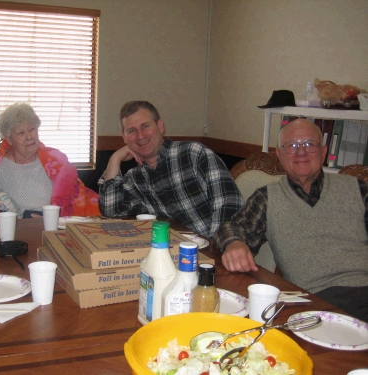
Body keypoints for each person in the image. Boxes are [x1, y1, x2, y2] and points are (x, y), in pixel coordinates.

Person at [214, 118, 368, 322]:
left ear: (323, 152)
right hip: (313, 302)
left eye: (309, 144)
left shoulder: (357, 189)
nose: (301, 152)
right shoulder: (267, 198)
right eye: (292, 146)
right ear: (279, 155)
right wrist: (234, 243)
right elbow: (231, 228)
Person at [98, 100, 244, 238]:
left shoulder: (193, 154)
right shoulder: (136, 178)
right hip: (169, 252)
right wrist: (114, 159)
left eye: (145, 126)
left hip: (212, 249)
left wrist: (219, 249)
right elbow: (112, 211)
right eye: (132, 131)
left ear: (160, 126)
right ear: (124, 137)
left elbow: (229, 204)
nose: (140, 136)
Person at [0, 102, 100, 226]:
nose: (29, 136)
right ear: (9, 140)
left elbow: (76, 197)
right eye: (21, 133)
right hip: (18, 231)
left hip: (56, 228)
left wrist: (52, 219)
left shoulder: (55, 162)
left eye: (31, 129)